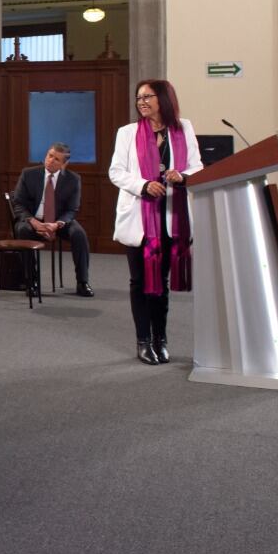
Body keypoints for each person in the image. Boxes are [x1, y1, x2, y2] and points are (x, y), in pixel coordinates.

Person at [108, 78, 204, 366]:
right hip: (139, 219)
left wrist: (182, 176)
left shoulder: (183, 128)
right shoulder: (127, 133)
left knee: (160, 284)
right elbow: (116, 172)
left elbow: (197, 165)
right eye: (138, 97)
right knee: (140, 282)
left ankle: (161, 339)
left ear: (163, 99)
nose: (142, 102)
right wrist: (143, 184)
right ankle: (143, 341)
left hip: (172, 218)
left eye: (148, 96)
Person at [10, 142, 92, 296]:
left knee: (79, 234)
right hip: (33, 220)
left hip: (59, 222)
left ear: (64, 164)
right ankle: (31, 282)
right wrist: (33, 222)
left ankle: (82, 282)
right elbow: (18, 204)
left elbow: (72, 209)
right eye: (50, 156)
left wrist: (57, 224)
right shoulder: (28, 174)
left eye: (56, 159)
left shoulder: (73, 179)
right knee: (22, 230)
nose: (50, 160)